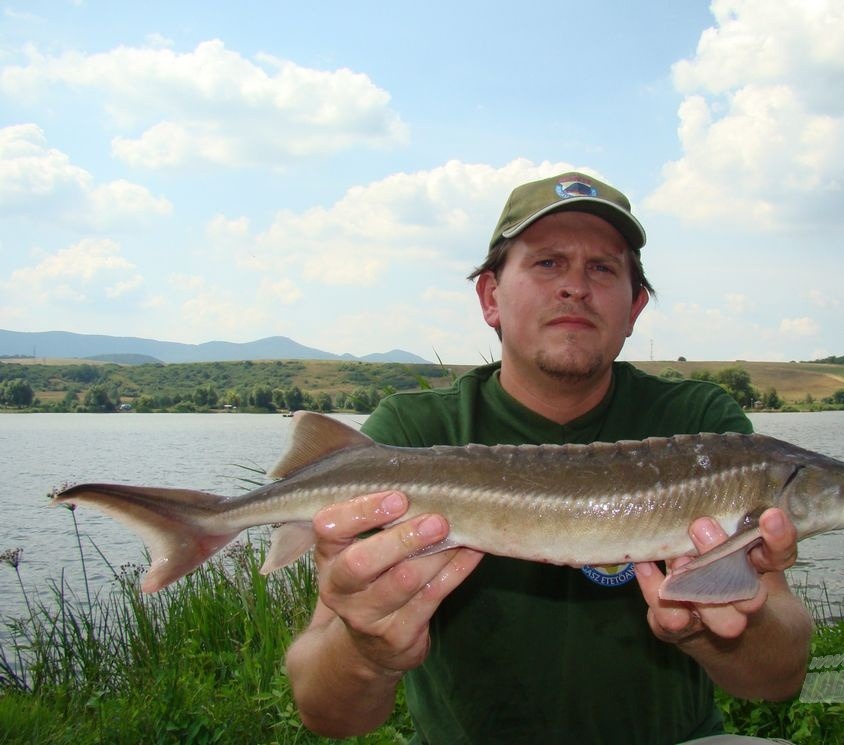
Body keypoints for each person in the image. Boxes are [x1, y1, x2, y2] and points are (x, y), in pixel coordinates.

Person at [285, 172, 813, 744]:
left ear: (635, 307)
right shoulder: (410, 436)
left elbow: (778, 679)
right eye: (547, 263)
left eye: (603, 268)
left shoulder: (706, 433)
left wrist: (714, 629)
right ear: (491, 297)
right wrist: (367, 651)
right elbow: (327, 714)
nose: (576, 288)